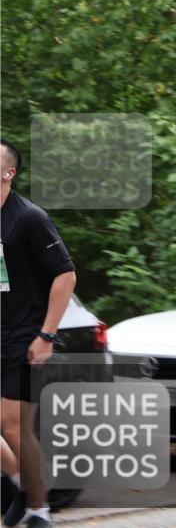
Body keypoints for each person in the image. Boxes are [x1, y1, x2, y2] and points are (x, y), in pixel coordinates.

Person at [1, 138, 77, 528]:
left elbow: (65, 275)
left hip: (23, 333)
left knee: (12, 423)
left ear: (7, 172)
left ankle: (39, 510)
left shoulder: (28, 217)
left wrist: (45, 336)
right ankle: (20, 482)